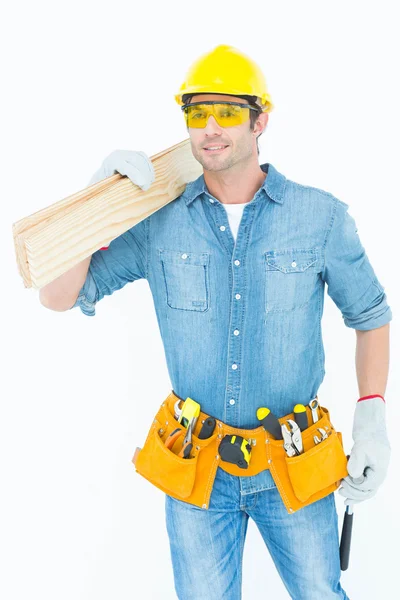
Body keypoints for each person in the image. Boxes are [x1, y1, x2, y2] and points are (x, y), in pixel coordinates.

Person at [39, 45, 392, 599]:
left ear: (260, 119)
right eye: (196, 112)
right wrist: (95, 203)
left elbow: (370, 316)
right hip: (197, 470)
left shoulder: (320, 217)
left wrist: (372, 418)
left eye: (227, 111)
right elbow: (60, 296)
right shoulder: (159, 224)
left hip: (293, 466)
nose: (210, 127)